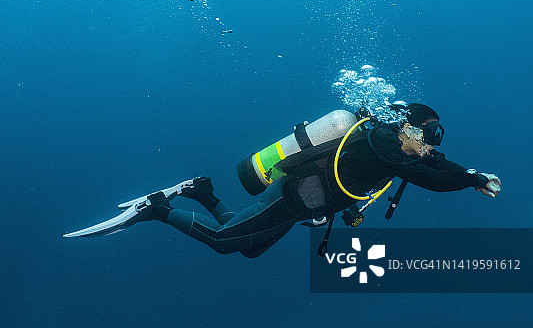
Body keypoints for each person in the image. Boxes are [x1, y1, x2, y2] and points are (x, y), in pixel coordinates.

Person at [64, 103, 501, 257]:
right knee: (222, 243)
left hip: (303, 206)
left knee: (249, 250)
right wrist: (466, 180)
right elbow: (434, 179)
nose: (431, 143)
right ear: (408, 127)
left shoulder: (392, 149)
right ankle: (157, 209)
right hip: (294, 197)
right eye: (430, 133)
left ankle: (202, 192)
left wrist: (472, 174)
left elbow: (439, 166)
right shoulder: (384, 145)